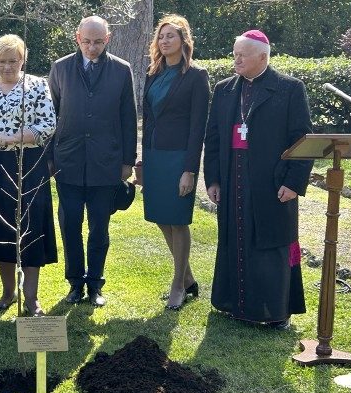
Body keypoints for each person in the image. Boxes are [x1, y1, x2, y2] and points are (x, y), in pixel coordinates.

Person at [203, 30, 313, 329]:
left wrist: (293, 182)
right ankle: (233, 304)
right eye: (234, 53)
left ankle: (275, 312)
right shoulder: (225, 89)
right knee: (234, 239)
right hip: (232, 175)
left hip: (271, 180)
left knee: (271, 242)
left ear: (263, 57)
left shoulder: (289, 88)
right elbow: (212, 138)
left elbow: (302, 139)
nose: (236, 59)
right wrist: (213, 179)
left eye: (242, 54)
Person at [48, 16, 137, 307]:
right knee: (70, 224)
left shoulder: (122, 70)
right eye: (87, 41)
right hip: (68, 161)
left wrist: (128, 161)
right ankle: (75, 283)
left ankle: (95, 285)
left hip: (106, 162)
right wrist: (49, 158)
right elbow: (51, 116)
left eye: (98, 42)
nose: (92, 47)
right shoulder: (60, 68)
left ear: (107, 39)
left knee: (100, 227)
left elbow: (128, 117)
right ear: (77, 37)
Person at [0, 34, 57, 317]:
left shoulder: (37, 86)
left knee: (30, 229)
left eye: (14, 61)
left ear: (23, 60)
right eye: (2, 61)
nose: (8, 67)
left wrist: (17, 137)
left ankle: (32, 298)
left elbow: (48, 124)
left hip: (27, 164)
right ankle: (8, 292)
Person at [141, 15, 209, 310]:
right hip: (155, 157)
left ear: (184, 41)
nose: (165, 41)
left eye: (171, 36)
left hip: (180, 158)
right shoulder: (152, 73)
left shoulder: (196, 75)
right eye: (161, 36)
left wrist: (190, 170)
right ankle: (190, 277)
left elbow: (198, 127)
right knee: (160, 216)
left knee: (178, 220)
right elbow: (148, 120)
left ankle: (178, 284)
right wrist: (142, 161)